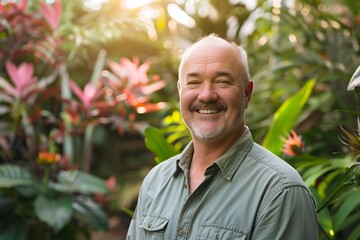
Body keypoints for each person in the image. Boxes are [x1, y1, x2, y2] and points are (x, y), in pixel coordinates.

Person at [127, 34, 318, 239]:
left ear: (247, 94)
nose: (207, 95)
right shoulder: (156, 182)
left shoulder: (280, 191)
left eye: (222, 81)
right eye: (194, 82)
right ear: (180, 91)